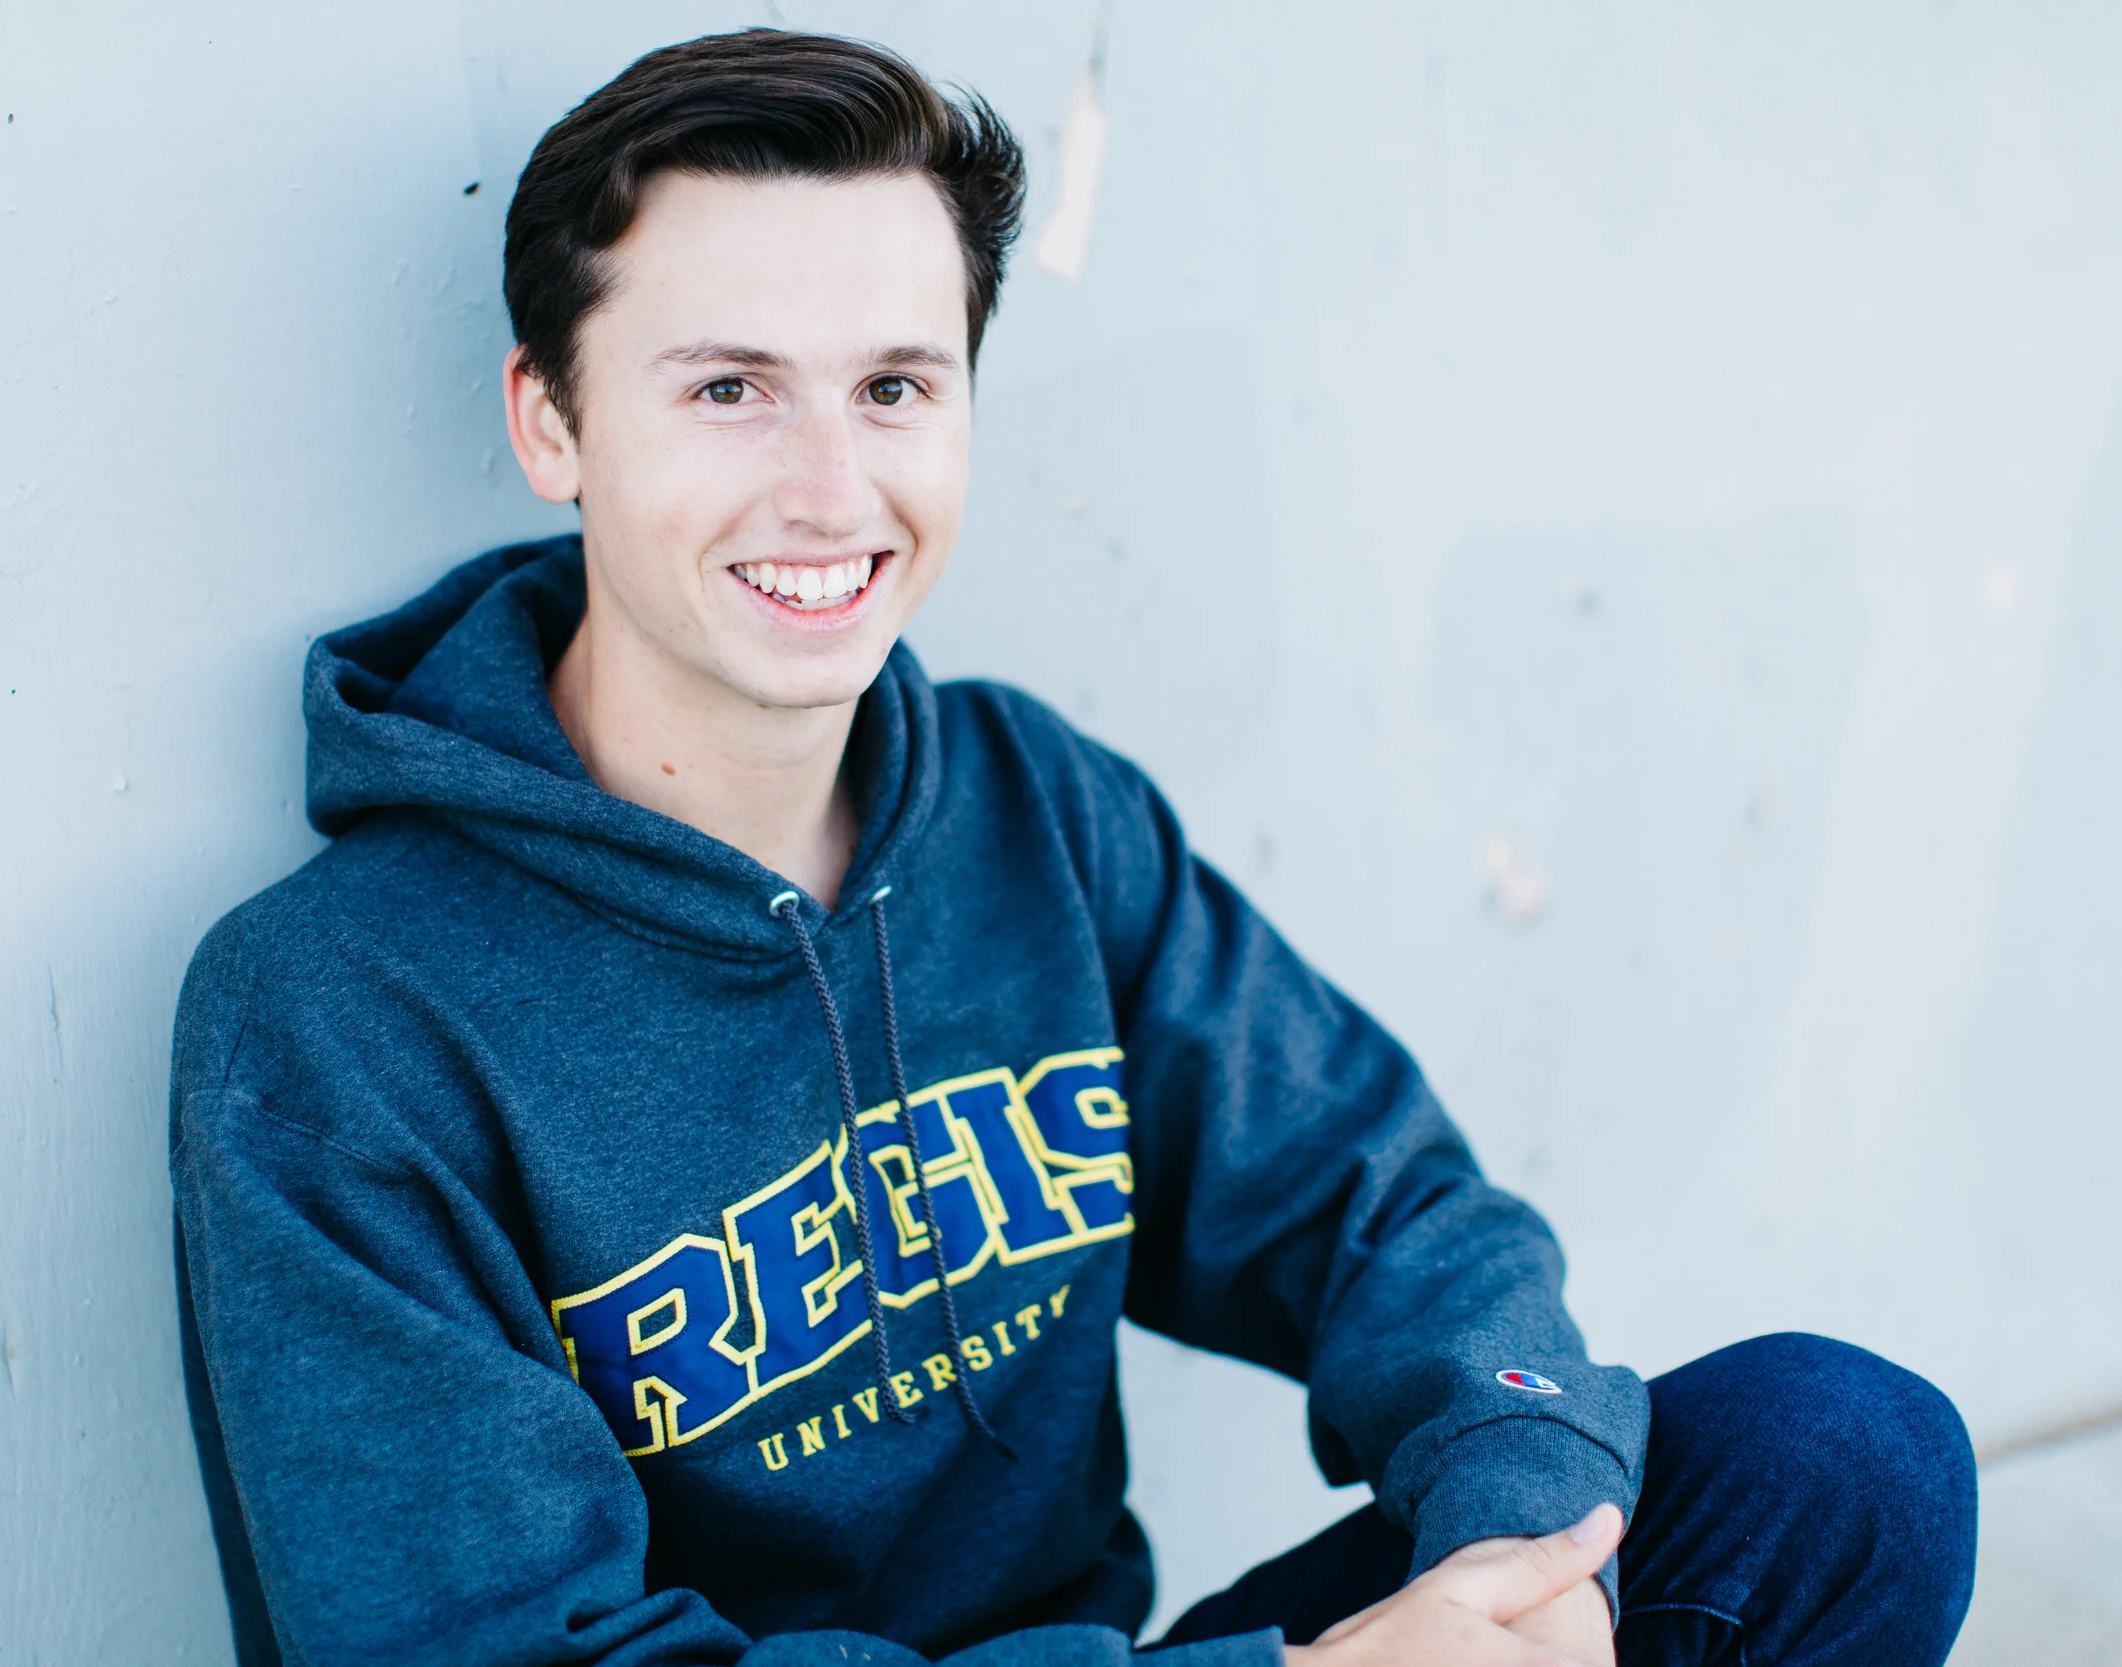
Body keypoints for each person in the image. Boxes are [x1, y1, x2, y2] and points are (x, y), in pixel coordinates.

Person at [171, 29, 1977, 1667]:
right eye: (730, 390)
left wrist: (1529, 1552)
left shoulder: (1027, 806)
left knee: (1842, 1459)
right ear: (550, 421)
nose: (830, 488)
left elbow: (1381, 1197)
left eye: (895, 388)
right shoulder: (334, 1015)